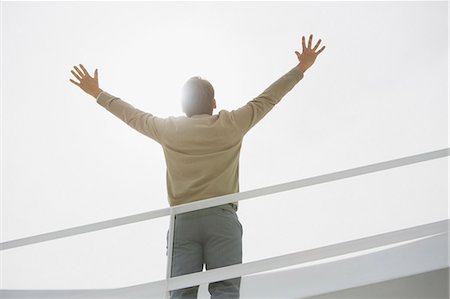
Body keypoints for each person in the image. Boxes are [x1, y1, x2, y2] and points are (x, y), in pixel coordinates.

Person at [69, 34, 325, 299]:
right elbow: (269, 98)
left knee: (181, 294)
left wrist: (97, 93)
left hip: (184, 222)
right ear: (214, 103)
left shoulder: (169, 129)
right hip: (221, 220)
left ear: (183, 106)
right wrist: (300, 68)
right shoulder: (232, 123)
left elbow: (131, 116)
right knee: (225, 290)